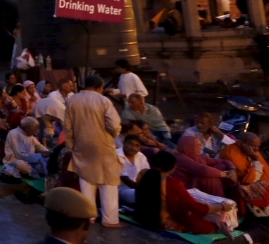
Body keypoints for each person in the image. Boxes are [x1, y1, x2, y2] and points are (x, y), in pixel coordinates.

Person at [65, 75, 123, 227]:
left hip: (81, 144)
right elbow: (115, 125)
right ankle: (110, 220)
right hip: (103, 144)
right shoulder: (103, 100)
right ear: (99, 87)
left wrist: (70, 146)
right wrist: (112, 135)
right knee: (108, 181)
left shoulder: (72, 100)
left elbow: (68, 127)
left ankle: (88, 216)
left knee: (86, 179)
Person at [134, 150, 232, 235]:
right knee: (206, 226)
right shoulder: (173, 183)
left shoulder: (143, 174)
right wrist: (222, 206)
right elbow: (196, 207)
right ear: (172, 168)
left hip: (141, 216)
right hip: (160, 222)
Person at [220, 132, 269, 204]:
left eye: (258, 146)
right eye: (253, 145)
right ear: (241, 143)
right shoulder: (230, 154)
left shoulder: (251, 151)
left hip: (263, 184)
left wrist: (253, 157)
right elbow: (251, 181)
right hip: (247, 189)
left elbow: (266, 173)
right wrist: (255, 159)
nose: (257, 149)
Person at [116, 135, 149, 206]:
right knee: (143, 194)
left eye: (137, 145)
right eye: (130, 144)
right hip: (121, 189)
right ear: (124, 143)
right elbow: (124, 178)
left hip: (138, 188)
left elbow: (147, 174)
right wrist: (143, 189)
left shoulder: (141, 156)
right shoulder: (116, 155)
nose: (133, 148)